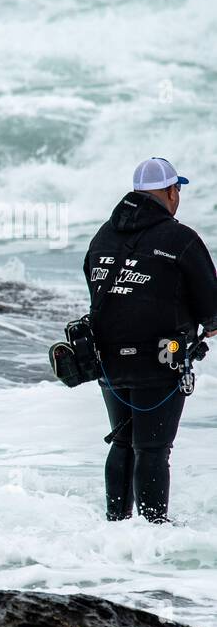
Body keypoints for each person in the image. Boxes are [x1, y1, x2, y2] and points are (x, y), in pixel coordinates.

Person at [84, 157, 217, 522]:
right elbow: (213, 311)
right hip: (159, 362)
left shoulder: (102, 236)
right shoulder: (181, 239)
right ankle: (154, 533)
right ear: (171, 192)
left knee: (123, 441)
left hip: (107, 362)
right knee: (153, 449)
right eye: (178, 190)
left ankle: (115, 527)